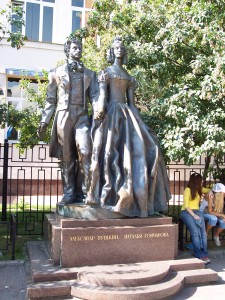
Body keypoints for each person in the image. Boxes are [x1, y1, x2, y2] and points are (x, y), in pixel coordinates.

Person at [86, 37, 171, 217]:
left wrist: (142, 125)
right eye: (115, 47)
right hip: (110, 114)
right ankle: (102, 196)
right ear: (111, 50)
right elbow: (102, 96)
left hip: (126, 115)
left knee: (150, 148)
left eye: (121, 48)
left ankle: (135, 200)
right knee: (107, 153)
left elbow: (132, 104)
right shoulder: (105, 73)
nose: (119, 50)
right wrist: (100, 109)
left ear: (124, 52)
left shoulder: (129, 77)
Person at [38, 37, 98, 204]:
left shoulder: (90, 74)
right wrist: (44, 121)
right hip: (64, 115)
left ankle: (88, 193)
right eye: (74, 48)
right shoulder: (56, 73)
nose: (78, 50)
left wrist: (100, 109)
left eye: (79, 48)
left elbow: (95, 96)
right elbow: (50, 100)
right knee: (67, 157)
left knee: (85, 151)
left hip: (82, 116)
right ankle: (69, 193)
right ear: (68, 50)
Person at [180, 173, 211, 263]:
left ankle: (205, 254)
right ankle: (198, 254)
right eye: (201, 180)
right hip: (186, 212)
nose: (203, 181)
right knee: (195, 232)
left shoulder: (199, 189)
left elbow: (209, 190)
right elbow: (186, 206)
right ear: (197, 181)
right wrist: (194, 215)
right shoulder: (187, 190)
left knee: (203, 233)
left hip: (196, 211)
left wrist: (211, 192)